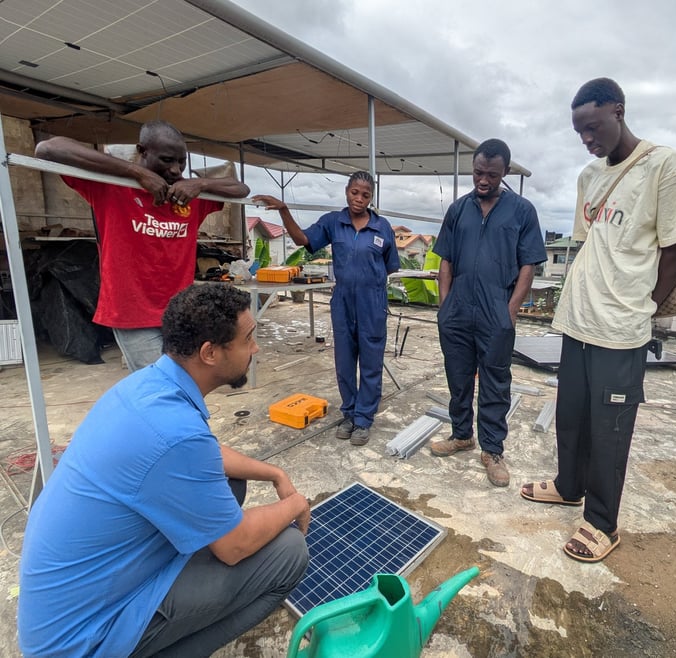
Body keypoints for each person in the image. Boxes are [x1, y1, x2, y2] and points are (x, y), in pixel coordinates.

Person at [18, 283, 310, 657]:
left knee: (231, 486)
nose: (255, 349)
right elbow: (234, 546)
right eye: (248, 339)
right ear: (210, 353)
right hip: (81, 642)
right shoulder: (174, 433)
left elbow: (204, 455)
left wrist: (274, 473)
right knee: (289, 551)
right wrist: (295, 503)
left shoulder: (147, 388)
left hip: (70, 605)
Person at [521, 78, 676, 562]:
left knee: (610, 426)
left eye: (593, 127)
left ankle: (602, 522)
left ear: (619, 110)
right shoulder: (589, 176)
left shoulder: (665, 166)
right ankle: (567, 485)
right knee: (571, 414)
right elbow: (592, 244)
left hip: (622, 327)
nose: (587, 140)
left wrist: (647, 310)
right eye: (579, 132)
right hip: (578, 318)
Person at [34, 121, 250, 372]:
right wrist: (136, 173)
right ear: (142, 151)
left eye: (182, 161)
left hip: (180, 311)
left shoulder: (188, 195)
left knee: (188, 380)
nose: (175, 169)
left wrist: (200, 184)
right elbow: (47, 149)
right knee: (161, 385)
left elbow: (240, 188)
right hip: (132, 313)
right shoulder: (111, 185)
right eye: (167, 160)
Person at [429, 138, 546, 487]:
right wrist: (445, 304)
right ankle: (461, 435)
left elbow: (529, 266)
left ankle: (492, 449)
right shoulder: (458, 210)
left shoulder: (522, 211)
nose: (483, 180)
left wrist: (510, 310)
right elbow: (445, 260)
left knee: (496, 383)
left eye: (491, 175)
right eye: (478, 172)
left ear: (505, 172)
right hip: (458, 310)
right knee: (459, 377)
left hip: (497, 309)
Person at [252, 172, 399, 447]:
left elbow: (390, 266)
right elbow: (301, 240)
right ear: (347, 191)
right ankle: (349, 413)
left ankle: (364, 419)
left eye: (365, 195)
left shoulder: (383, 227)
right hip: (342, 301)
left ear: (371, 197)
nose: (359, 199)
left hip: (372, 303)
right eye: (355, 192)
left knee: (370, 361)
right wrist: (284, 210)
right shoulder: (334, 222)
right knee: (344, 361)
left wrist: (370, 286)